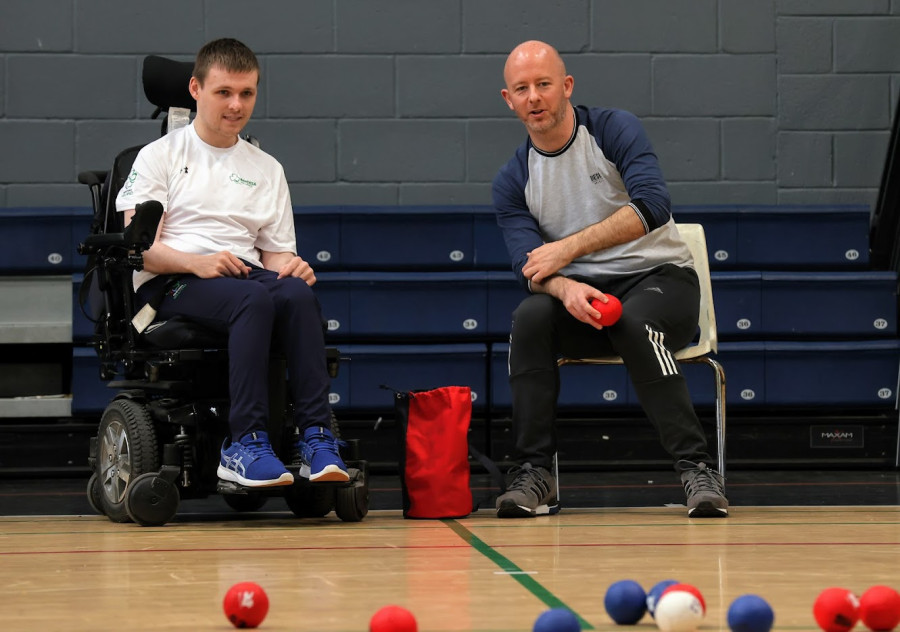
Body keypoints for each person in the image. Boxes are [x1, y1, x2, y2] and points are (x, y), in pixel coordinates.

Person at [491, 40, 728, 518]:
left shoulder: (614, 129)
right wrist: (565, 286)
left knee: (636, 321)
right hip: (585, 302)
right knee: (530, 316)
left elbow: (653, 206)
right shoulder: (512, 180)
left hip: (662, 282)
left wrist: (570, 247)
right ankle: (535, 474)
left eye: (543, 84)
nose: (534, 97)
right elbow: (528, 266)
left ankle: (697, 469)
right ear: (509, 100)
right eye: (522, 89)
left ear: (567, 87)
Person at [116, 38, 348, 488]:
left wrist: (293, 266)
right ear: (196, 89)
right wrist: (197, 263)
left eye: (247, 93)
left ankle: (316, 439)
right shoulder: (159, 156)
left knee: (297, 294)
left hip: (242, 274)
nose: (236, 105)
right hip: (173, 279)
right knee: (251, 301)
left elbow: (276, 252)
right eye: (224, 92)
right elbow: (139, 249)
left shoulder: (266, 168)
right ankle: (245, 442)